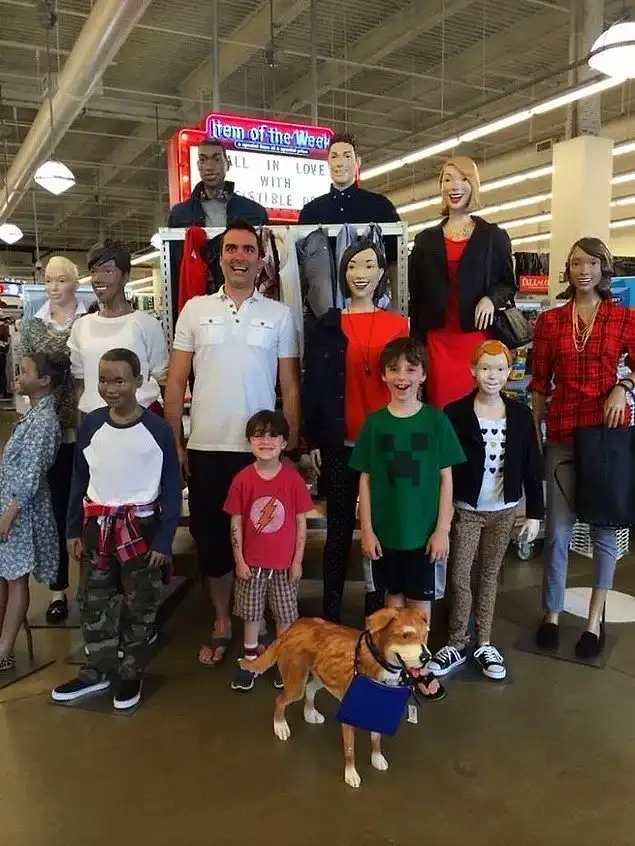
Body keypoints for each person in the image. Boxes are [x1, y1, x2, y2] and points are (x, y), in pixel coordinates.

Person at [164, 219, 300, 667]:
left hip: (261, 452)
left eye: (248, 249)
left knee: (263, 540)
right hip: (206, 447)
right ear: (219, 258)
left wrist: (290, 444)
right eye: (231, 249)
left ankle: (255, 624)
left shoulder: (278, 315)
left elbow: (289, 385)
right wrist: (175, 441)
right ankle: (223, 622)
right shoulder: (194, 310)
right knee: (212, 540)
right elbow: (176, 380)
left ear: (261, 260)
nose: (239, 256)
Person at [51, 349, 181, 711]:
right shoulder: (91, 425)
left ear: (138, 381)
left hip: (142, 529)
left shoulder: (157, 429)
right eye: (103, 380)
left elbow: (171, 486)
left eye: (120, 380)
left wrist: (164, 540)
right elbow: (80, 478)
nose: (110, 388)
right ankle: (98, 668)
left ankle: (131, 671)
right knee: (93, 599)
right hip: (97, 527)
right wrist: (73, 530)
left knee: (141, 603)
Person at [531, 237, 635, 659]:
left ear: (604, 268)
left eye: (592, 262)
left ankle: (593, 622)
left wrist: (623, 386)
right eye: (576, 263)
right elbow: (539, 382)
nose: (584, 270)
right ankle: (552, 614)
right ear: (568, 270)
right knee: (557, 532)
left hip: (607, 436)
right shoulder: (550, 321)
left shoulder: (623, 318)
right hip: (561, 432)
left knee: (605, 530)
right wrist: (536, 434)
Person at [350, 337, 465, 700]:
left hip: (423, 537)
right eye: (395, 369)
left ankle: (420, 667)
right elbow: (365, 480)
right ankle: (394, 666)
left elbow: (446, 479)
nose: (403, 377)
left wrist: (442, 530)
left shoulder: (436, 422)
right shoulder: (374, 425)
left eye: (411, 369)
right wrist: (367, 530)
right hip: (385, 536)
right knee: (392, 606)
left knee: (420, 606)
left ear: (423, 375)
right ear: (383, 375)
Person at [302, 240, 409, 622]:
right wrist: (313, 438)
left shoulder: (397, 325)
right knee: (338, 530)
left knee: (382, 529)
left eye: (368, 265)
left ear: (381, 273)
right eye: (351, 266)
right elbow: (314, 383)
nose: (360, 274)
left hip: (386, 444)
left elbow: (409, 382)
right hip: (340, 442)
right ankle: (330, 613)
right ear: (342, 273)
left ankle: (376, 611)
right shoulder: (327, 326)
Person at [427, 340, 543, 681]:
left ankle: (485, 641)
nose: (493, 375)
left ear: (509, 373)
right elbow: (442, 466)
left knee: (490, 575)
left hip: (504, 509)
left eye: (500, 368)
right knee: (460, 575)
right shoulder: (455, 413)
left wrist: (535, 513)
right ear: (473, 370)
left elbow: (532, 465)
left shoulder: (520, 415)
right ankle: (457, 641)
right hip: (466, 509)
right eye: (486, 368)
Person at [409, 156, 516, 409]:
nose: (454, 186)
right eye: (448, 179)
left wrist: (491, 299)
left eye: (463, 179)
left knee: (476, 408)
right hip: (437, 341)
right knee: (441, 409)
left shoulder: (493, 236)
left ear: (473, 185)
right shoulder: (425, 240)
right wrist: (415, 350)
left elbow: (508, 284)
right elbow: (416, 297)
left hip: (477, 337)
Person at [224, 410, 313, 692]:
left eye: (274, 435)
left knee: (285, 617)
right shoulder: (242, 480)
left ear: (284, 442)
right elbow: (236, 521)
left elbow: (301, 522)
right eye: (259, 435)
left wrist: (297, 561)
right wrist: (239, 560)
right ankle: (250, 661)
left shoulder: (293, 480)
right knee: (252, 615)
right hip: (252, 565)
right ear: (249, 441)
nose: (266, 441)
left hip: (284, 566)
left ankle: (282, 661)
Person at [20, 255, 87, 623]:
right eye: (48, 279)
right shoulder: (33, 326)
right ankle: (58, 589)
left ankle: (93, 586)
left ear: (75, 282)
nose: (53, 286)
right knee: (56, 509)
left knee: (89, 510)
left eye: (61, 279)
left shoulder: (90, 320)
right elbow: (26, 376)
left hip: (87, 425)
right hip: (51, 431)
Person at [0, 351, 65, 669]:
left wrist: (9, 517)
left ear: (44, 380)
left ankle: (4, 650)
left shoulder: (44, 421)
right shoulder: (34, 416)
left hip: (20, 512)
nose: (18, 375)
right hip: (11, 505)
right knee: (5, 577)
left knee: (15, 580)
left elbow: (31, 475)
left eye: (25, 371)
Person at [167, 138, 269, 323]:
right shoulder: (180, 214)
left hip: (245, 302)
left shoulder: (254, 212)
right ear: (197, 165)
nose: (209, 166)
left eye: (216, 159)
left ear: (227, 163)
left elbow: (266, 265)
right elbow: (174, 269)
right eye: (203, 159)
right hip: (198, 301)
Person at [68, 240, 169, 417]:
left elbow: (164, 381)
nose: (97, 279)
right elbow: (81, 384)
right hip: (95, 420)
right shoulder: (81, 326)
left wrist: (172, 429)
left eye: (107, 271)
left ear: (125, 277)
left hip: (139, 420)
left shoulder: (146, 324)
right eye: (93, 271)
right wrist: (83, 426)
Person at [298, 132, 401, 265]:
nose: (340, 163)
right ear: (328, 162)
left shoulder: (381, 207)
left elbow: (395, 258)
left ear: (357, 162)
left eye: (347, 156)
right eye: (334, 157)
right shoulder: (311, 212)